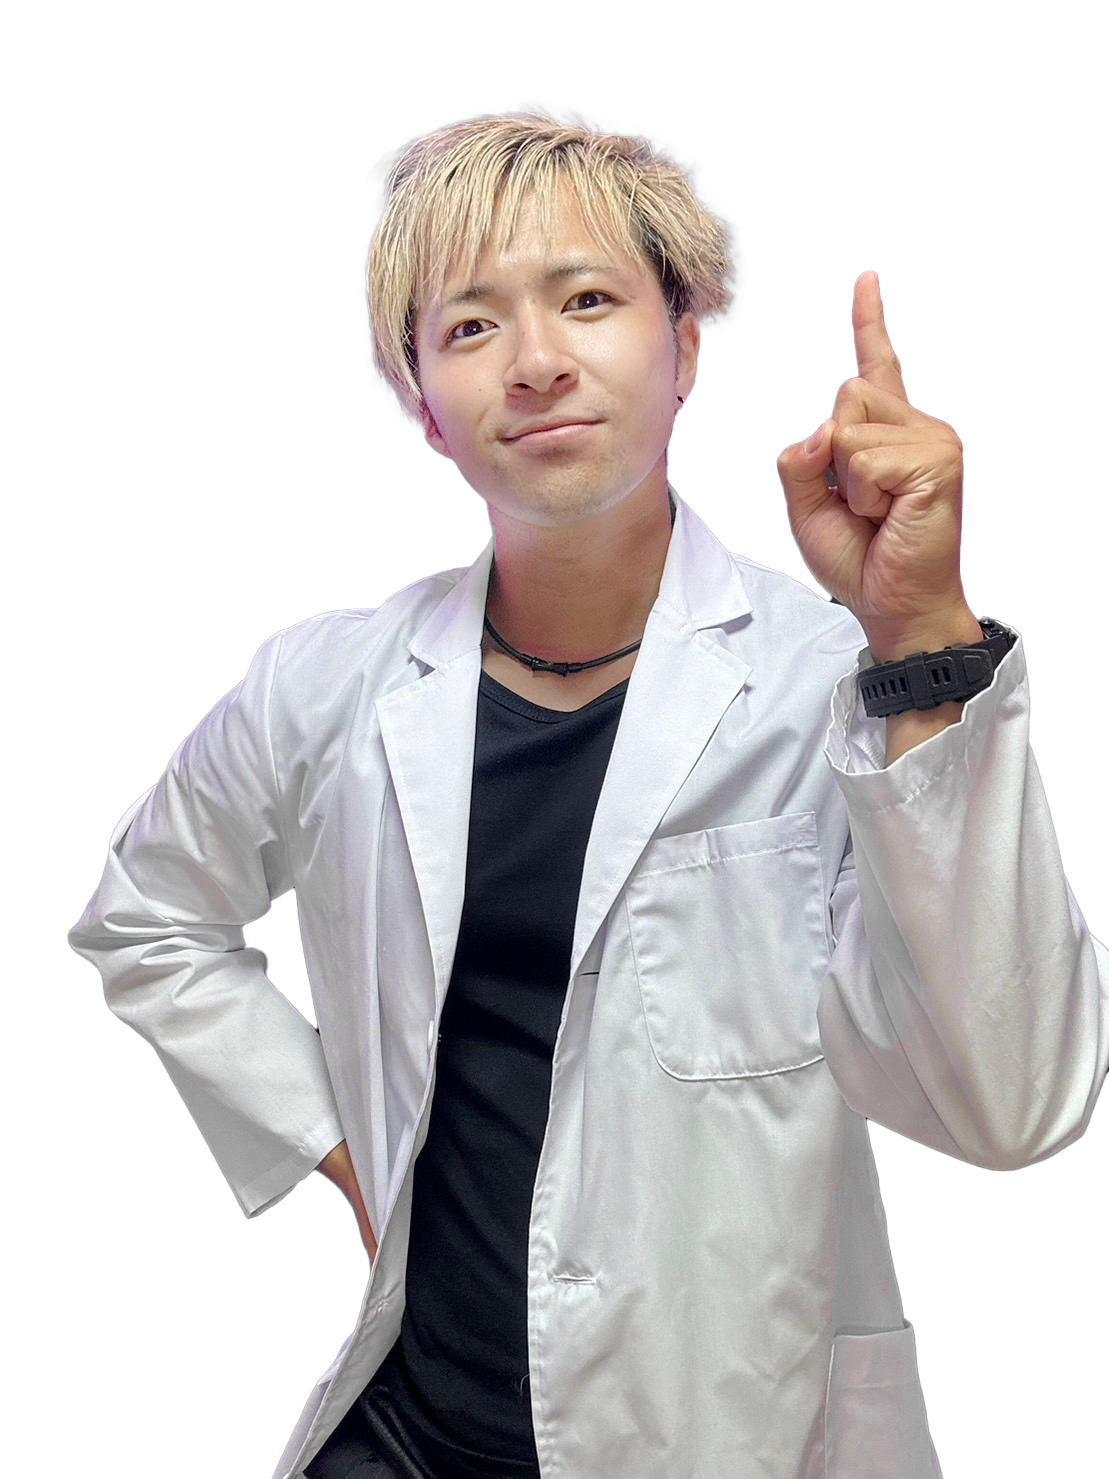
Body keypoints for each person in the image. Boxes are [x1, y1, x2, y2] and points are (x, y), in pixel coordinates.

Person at [69, 111, 1108, 1479]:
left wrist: (922, 642)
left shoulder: (838, 681)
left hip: (722, 1440)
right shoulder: (326, 688)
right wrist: (331, 1142)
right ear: (423, 406)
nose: (537, 361)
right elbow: (146, 915)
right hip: (407, 1434)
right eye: (470, 325)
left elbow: (1015, 1101)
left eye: (588, 299)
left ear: (685, 347)